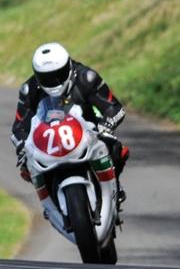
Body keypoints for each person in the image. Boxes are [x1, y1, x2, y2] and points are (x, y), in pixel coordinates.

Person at [11, 42, 129, 213]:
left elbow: (114, 108)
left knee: (116, 148)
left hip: (89, 133)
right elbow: (18, 128)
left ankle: (115, 188)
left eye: (58, 74)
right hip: (49, 142)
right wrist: (22, 145)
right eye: (47, 77)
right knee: (26, 167)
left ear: (68, 66)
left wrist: (107, 125)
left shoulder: (86, 78)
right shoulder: (29, 90)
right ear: (37, 75)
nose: (53, 81)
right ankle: (50, 204)